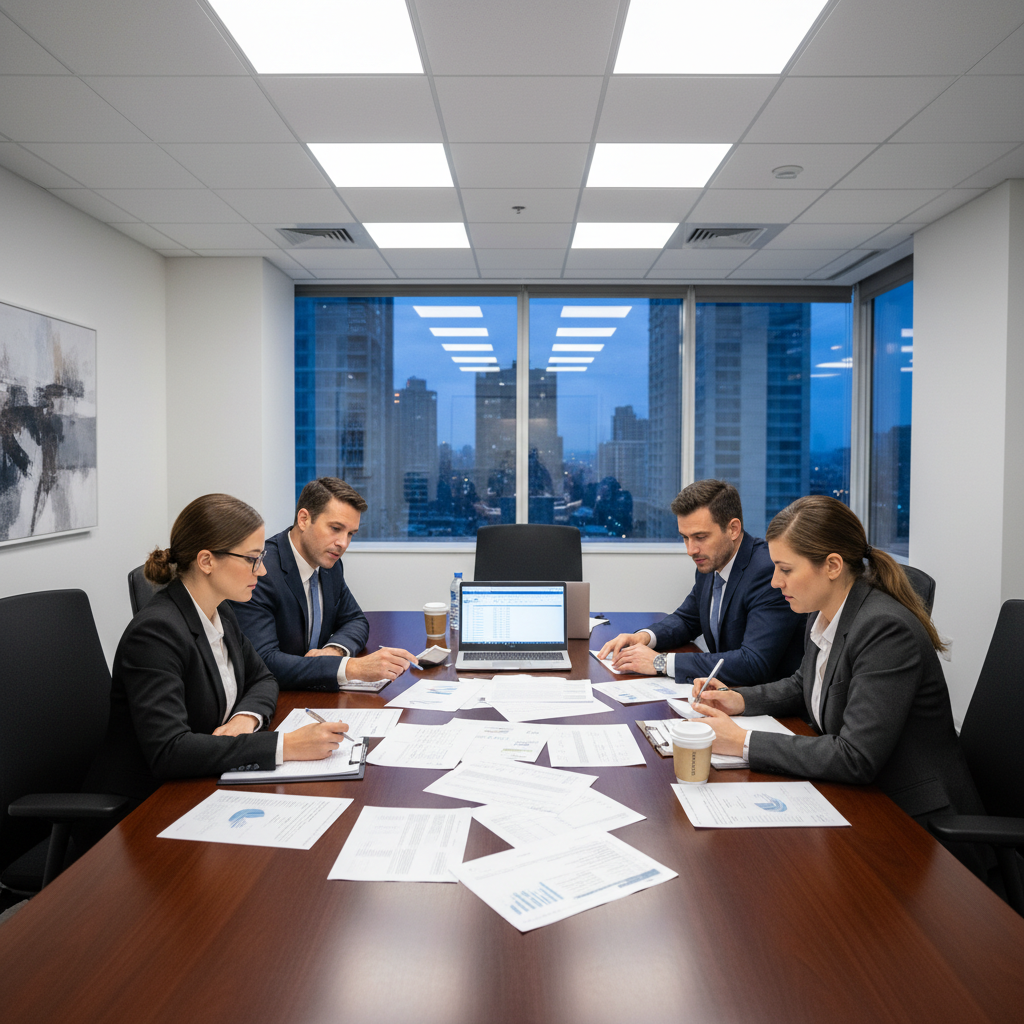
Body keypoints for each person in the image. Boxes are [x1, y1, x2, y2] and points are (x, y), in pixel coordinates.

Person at [692, 494, 984, 846]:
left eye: (785, 569)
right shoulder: (822, 609)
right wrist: (738, 700)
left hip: (915, 824)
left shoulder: (885, 630)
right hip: (864, 799)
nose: (775, 582)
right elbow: (804, 683)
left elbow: (855, 757)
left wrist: (743, 741)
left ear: (832, 566)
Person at [85, 493, 349, 812]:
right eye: (252, 559)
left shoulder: (220, 610)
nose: (262, 571)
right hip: (145, 808)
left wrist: (245, 717)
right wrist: (286, 746)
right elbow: (170, 750)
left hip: (203, 785)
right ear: (207, 561)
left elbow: (263, 678)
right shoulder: (155, 634)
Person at [598, 479, 804, 687]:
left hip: (772, 708)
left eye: (700, 537)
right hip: (724, 692)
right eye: (685, 538)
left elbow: (752, 663)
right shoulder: (711, 562)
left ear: (733, 529)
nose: (691, 550)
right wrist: (644, 637)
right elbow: (687, 619)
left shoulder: (767, 572)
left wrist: (661, 662)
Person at [232, 477, 417, 690]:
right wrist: (350, 667)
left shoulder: (330, 565)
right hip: (274, 697)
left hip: (313, 692)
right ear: (303, 519)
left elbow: (356, 620)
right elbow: (264, 662)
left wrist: (334, 651)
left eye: (350, 534)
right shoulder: (262, 571)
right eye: (335, 528)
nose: (343, 543)